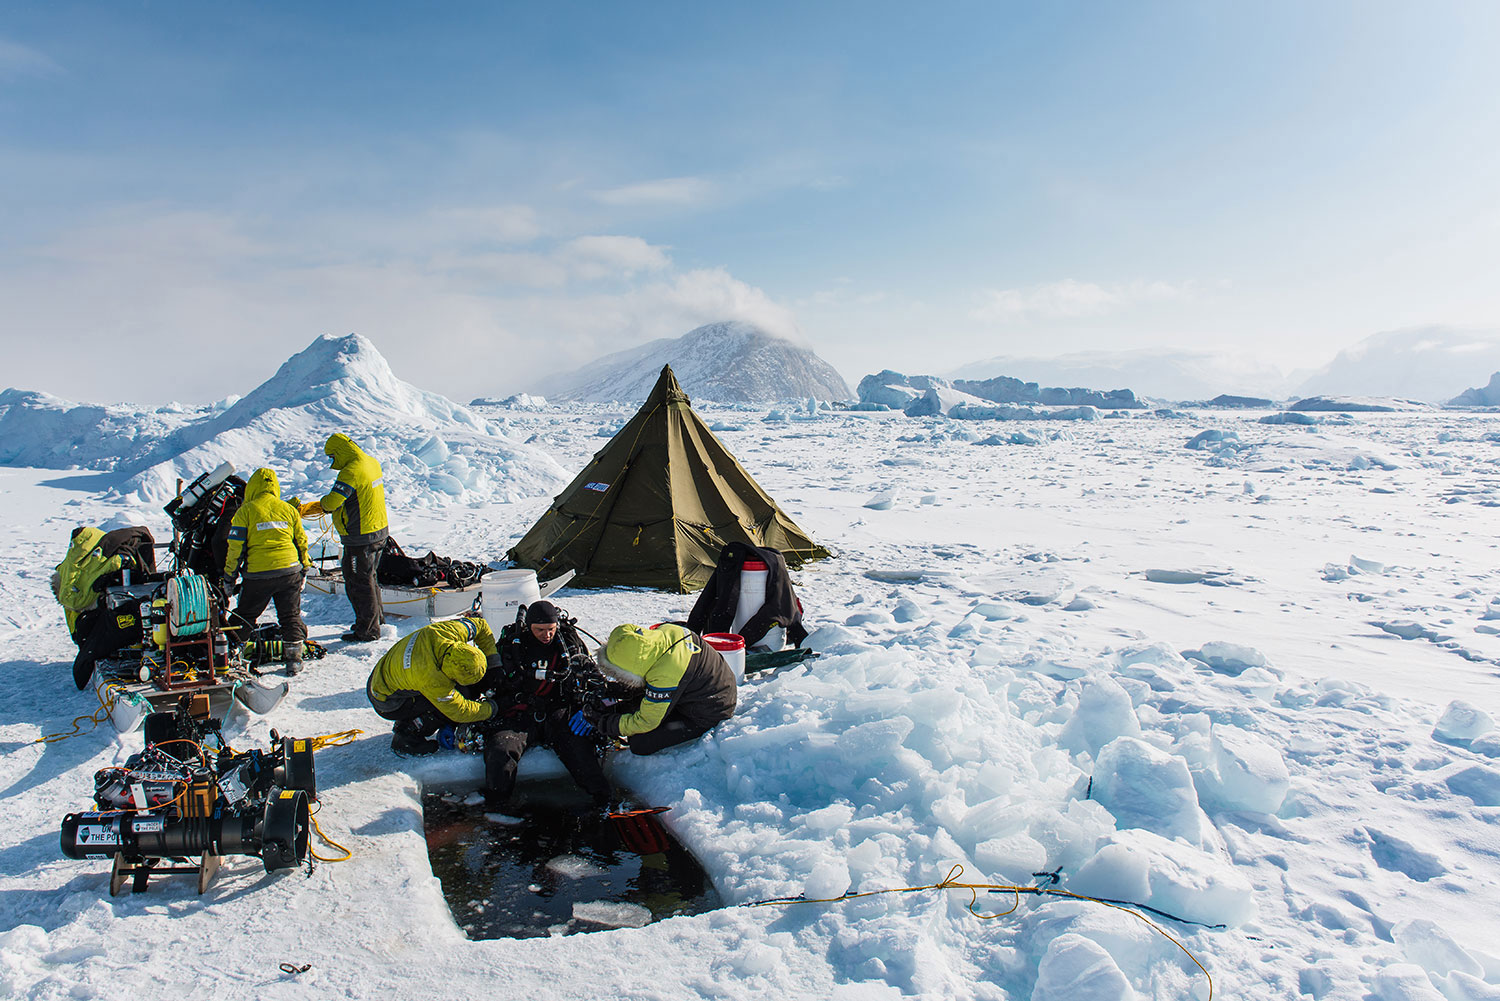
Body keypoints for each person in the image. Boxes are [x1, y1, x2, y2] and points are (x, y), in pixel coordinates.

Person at [477, 600, 612, 809]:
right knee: (501, 752)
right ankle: (497, 805)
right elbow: (491, 680)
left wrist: (590, 711)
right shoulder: (513, 646)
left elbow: (593, 680)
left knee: (581, 753)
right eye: (539, 630)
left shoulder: (568, 643)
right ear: (529, 626)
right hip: (519, 714)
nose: (546, 635)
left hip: (558, 712)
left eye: (550, 629)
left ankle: (605, 802)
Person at [588, 623, 736, 756]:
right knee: (633, 707)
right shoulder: (666, 631)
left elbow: (646, 721)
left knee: (640, 742)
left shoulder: (665, 675)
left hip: (711, 709)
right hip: (711, 685)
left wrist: (607, 724)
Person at [366, 615, 501, 755]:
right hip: (386, 700)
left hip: (385, 671)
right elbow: (459, 711)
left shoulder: (449, 632)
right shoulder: (431, 678)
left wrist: (493, 663)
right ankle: (407, 734)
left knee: (462, 692)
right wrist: (492, 709)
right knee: (453, 701)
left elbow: (480, 625)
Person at [300, 433, 389, 642]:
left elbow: (331, 503)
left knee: (358, 581)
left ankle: (367, 630)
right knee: (370, 579)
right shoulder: (370, 462)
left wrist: (312, 507)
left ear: (340, 452)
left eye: (332, 457)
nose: (332, 463)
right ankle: (377, 622)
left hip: (361, 537)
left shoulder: (351, 471)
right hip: (378, 531)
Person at [223, 468, 312, 675]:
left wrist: (230, 577)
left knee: (246, 615)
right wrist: (305, 566)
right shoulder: (288, 509)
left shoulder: (245, 511)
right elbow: (301, 541)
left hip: (258, 576)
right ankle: (294, 660)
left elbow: (235, 548)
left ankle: (235, 656)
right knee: (290, 615)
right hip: (290, 572)